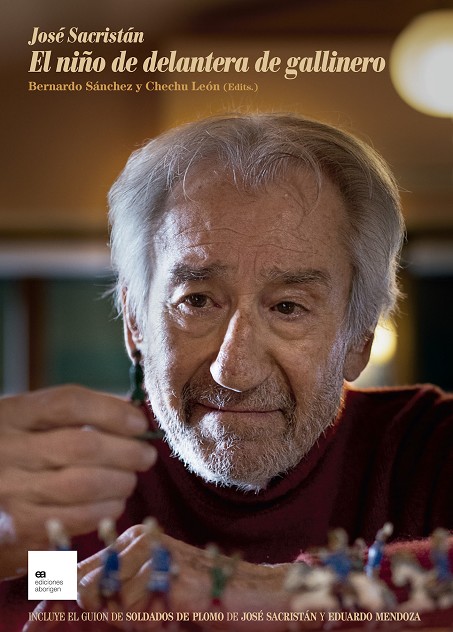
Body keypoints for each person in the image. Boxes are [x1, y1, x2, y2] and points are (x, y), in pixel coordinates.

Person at [1, 113, 452, 630]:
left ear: (359, 339)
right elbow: (37, 585)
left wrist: (280, 592)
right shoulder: (66, 487)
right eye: (196, 300)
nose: (234, 371)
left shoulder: (427, 453)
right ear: (135, 323)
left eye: (288, 307)